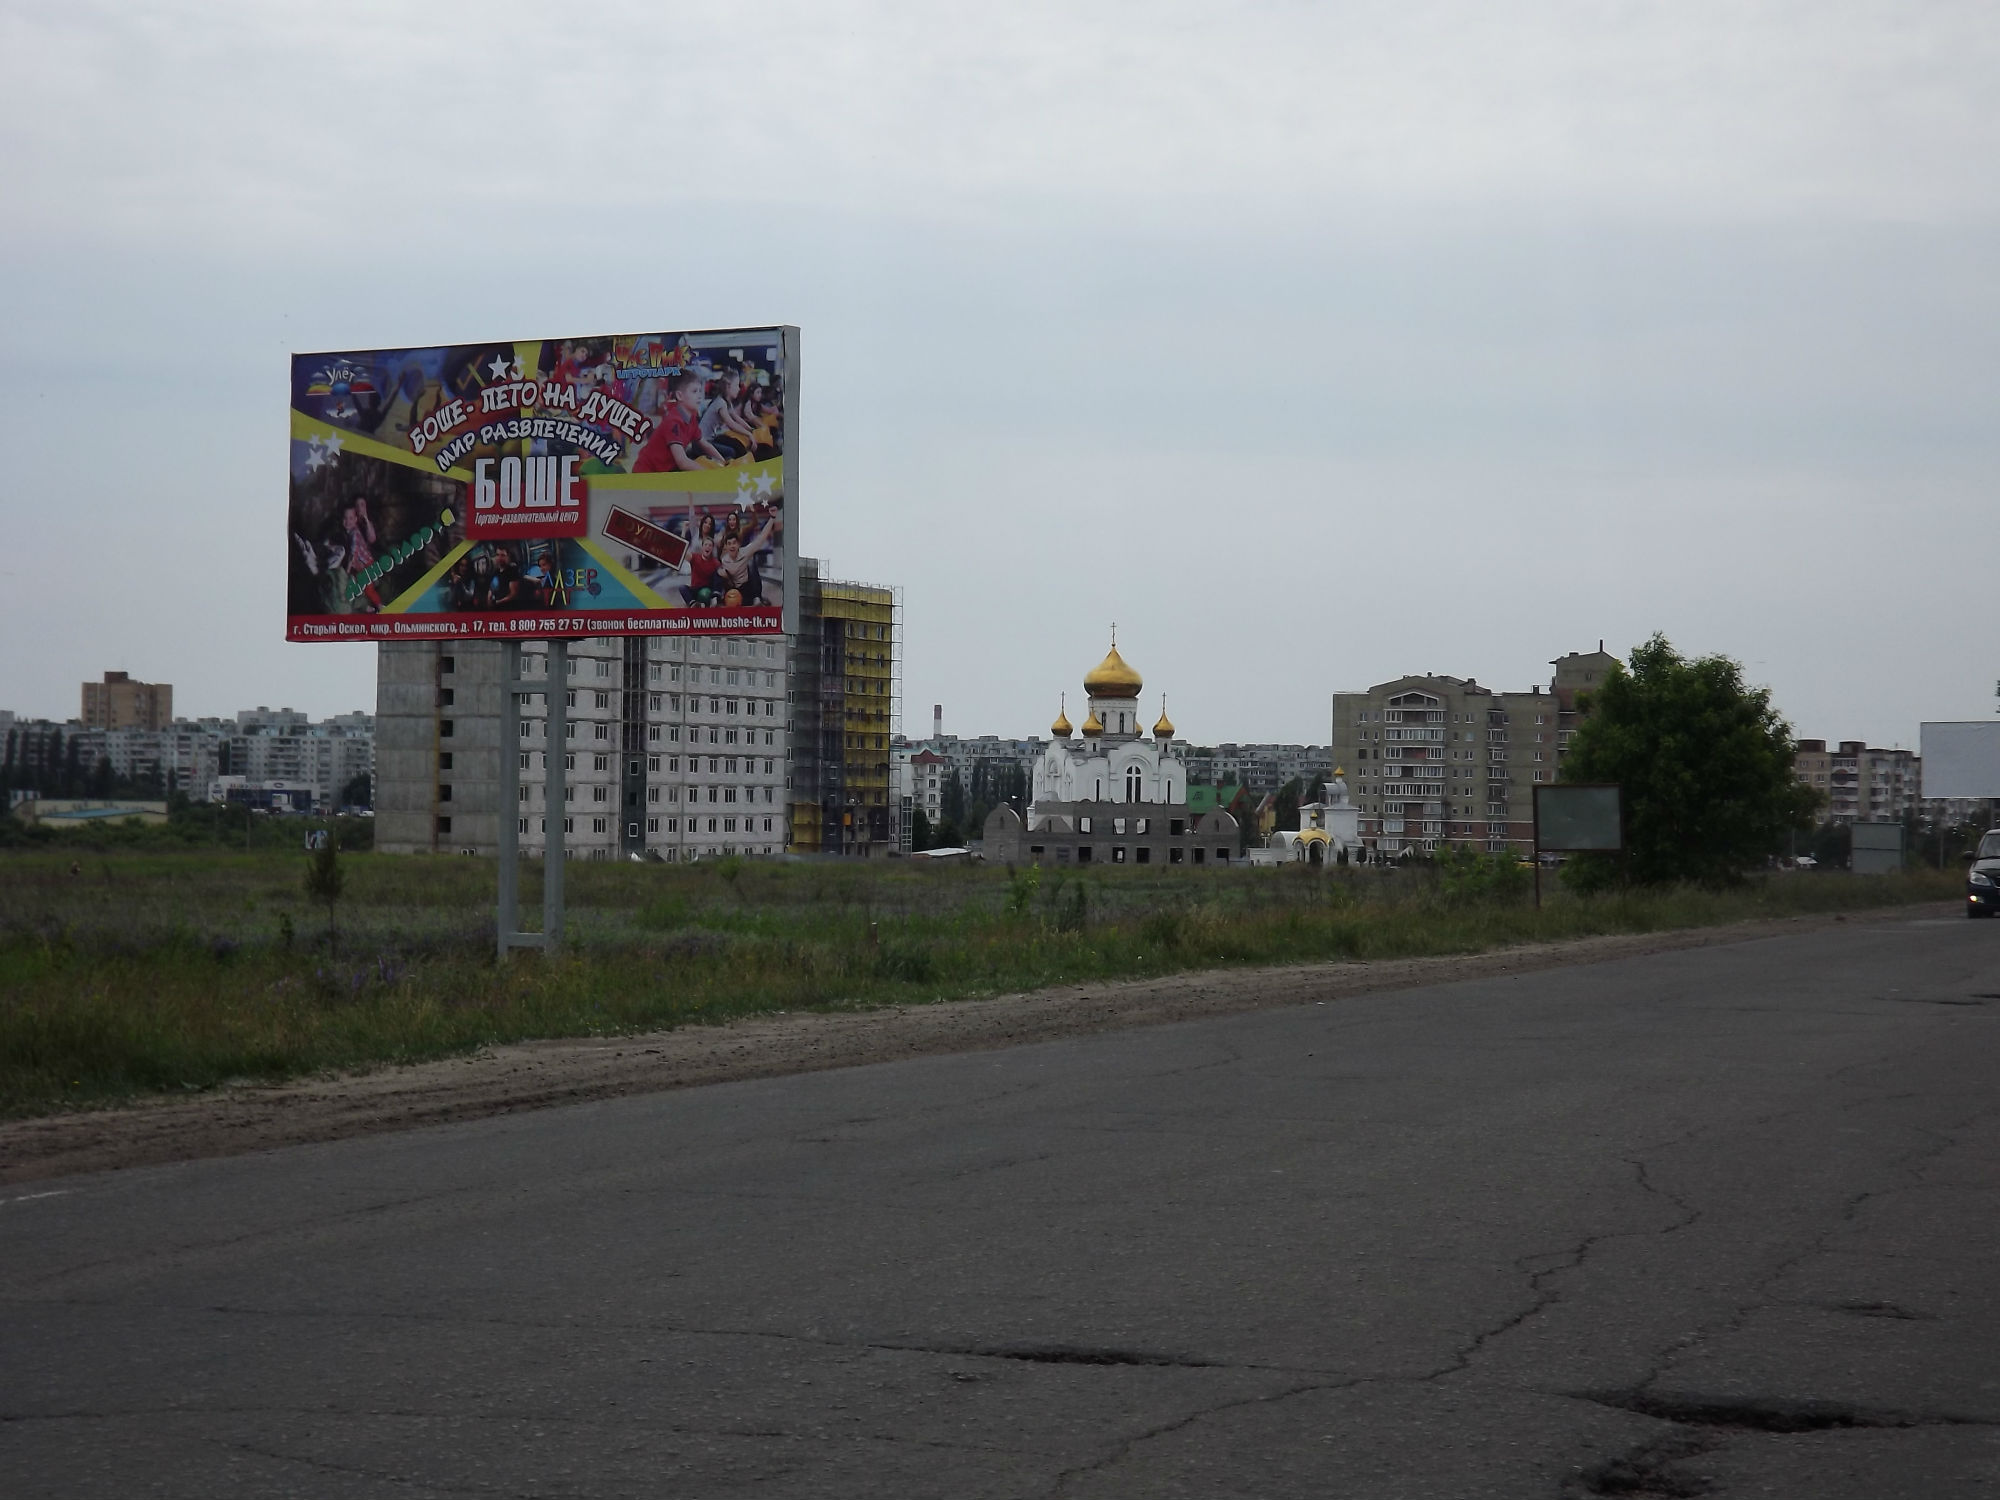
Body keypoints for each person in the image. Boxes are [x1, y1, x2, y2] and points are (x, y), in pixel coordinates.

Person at [632, 371, 726, 471]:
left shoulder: (691, 418)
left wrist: (724, 463)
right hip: (647, 472)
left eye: (700, 391)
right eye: (694, 391)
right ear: (679, 396)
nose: (699, 396)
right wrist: (709, 474)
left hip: (666, 469)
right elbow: (682, 462)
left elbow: (706, 445)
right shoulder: (673, 422)